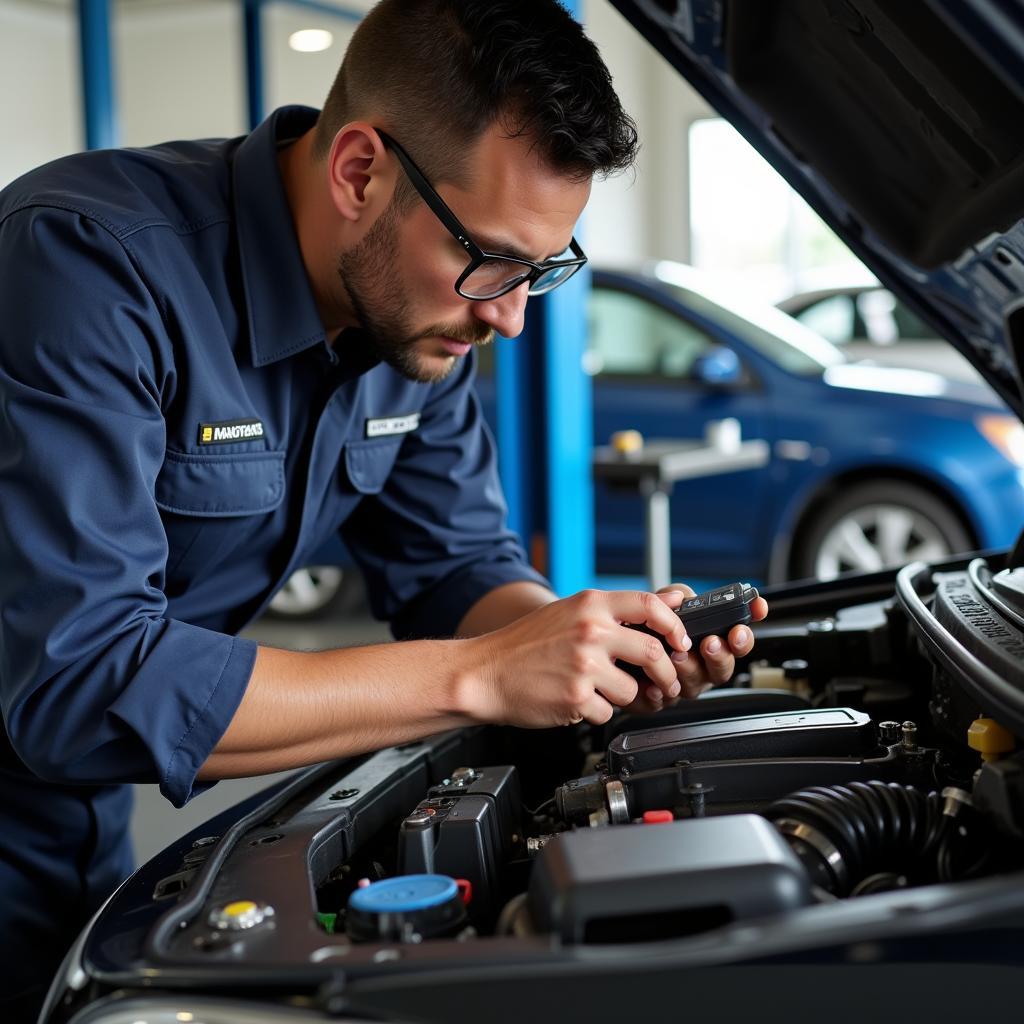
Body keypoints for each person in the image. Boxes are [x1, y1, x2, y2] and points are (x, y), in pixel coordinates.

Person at [0, 1, 767, 1018]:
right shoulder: (85, 265)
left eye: (542, 270)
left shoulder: (420, 321)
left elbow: (454, 569)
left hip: (74, 813)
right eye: (493, 260)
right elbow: (81, 677)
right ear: (359, 171)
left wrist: (582, 650)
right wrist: (479, 676)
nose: (509, 315)